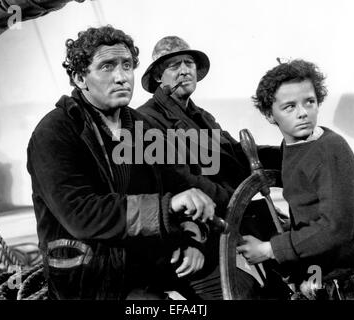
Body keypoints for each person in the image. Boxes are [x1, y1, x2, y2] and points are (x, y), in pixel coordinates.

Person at [26, 26, 219, 300]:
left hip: (148, 263)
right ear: (80, 77)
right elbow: (82, 214)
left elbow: (176, 185)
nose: (121, 77)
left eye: (127, 65)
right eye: (107, 66)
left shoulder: (143, 126)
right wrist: (168, 207)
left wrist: (189, 238)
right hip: (88, 276)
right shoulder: (54, 132)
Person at [137, 36, 286, 299]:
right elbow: (178, 179)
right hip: (193, 239)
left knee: (293, 272)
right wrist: (234, 201)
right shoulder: (146, 120)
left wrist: (291, 155)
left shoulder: (203, 117)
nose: (185, 70)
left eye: (189, 63)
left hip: (232, 223)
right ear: (159, 77)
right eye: (174, 65)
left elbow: (237, 155)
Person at [238, 59, 354, 300]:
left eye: (309, 102)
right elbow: (309, 212)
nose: (303, 113)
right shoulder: (294, 147)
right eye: (289, 106)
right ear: (269, 114)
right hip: (326, 276)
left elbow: (334, 227)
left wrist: (269, 249)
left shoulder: (330, 149)